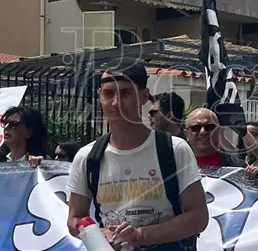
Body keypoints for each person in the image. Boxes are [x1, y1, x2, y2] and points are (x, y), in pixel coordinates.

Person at [65, 58, 207, 250]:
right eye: (108, 93)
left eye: (126, 93)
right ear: (99, 96)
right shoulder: (87, 157)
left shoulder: (174, 149)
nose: (116, 103)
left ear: (143, 95)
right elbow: (75, 219)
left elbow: (198, 217)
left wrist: (140, 235)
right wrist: (98, 234)